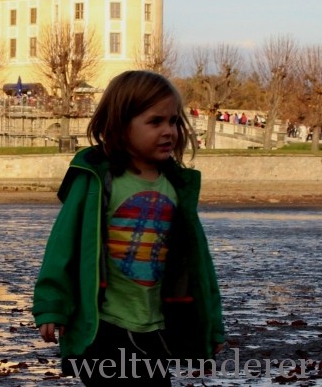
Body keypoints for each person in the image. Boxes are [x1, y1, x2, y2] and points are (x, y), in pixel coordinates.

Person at [33, 70, 224, 385]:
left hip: (156, 328)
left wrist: (211, 327)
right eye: (155, 122)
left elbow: (200, 267)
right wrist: (52, 306)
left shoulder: (176, 187)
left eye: (174, 121)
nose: (169, 131)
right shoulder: (98, 181)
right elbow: (62, 246)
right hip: (104, 328)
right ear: (120, 126)